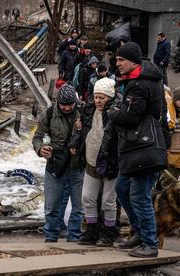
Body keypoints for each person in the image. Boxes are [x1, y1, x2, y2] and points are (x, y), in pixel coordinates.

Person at [108, 42, 167, 258]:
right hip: (138, 149)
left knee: (140, 196)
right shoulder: (139, 81)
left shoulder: (140, 85)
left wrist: (113, 110)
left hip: (144, 148)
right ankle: (139, 233)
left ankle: (150, 243)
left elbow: (129, 116)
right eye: (117, 60)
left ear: (133, 61)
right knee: (123, 189)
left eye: (121, 60)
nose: (118, 64)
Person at [70, 77, 119, 246]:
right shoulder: (89, 109)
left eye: (102, 97)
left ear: (110, 97)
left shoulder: (116, 110)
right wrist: (75, 143)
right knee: (87, 197)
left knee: (108, 200)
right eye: (96, 96)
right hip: (91, 158)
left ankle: (109, 232)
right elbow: (83, 128)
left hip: (111, 160)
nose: (98, 101)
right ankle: (91, 230)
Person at [32, 84, 84, 242]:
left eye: (71, 105)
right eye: (64, 105)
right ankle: (51, 236)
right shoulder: (49, 113)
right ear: (57, 102)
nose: (67, 108)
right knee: (52, 205)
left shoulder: (84, 113)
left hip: (78, 164)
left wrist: (83, 128)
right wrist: (40, 149)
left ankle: (74, 235)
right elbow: (37, 137)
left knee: (79, 206)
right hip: (56, 164)